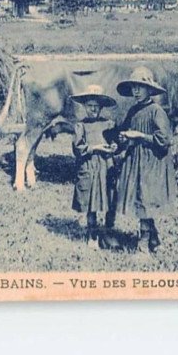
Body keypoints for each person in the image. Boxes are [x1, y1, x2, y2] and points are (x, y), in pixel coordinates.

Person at [113, 66, 176, 253]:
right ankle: (154, 239)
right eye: (134, 87)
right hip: (136, 161)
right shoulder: (133, 111)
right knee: (141, 198)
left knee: (145, 199)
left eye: (140, 87)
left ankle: (143, 245)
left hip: (153, 162)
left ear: (149, 89)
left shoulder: (157, 111)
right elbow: (125, 131)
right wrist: (123, 138)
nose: (136, 91)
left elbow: (164, 140)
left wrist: (140, 136)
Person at [70, 84, 117, 247]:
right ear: (84, 107)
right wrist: (95, 147)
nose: (93, 109)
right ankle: (93, 236)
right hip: (89, 167)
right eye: (90, 106)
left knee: (110, 199)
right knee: (92, 202)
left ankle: (109, 232)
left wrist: (114, 147)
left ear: (101, 107)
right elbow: (77, 148)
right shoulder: (80, 126)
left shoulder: (109, 124)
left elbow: (115, 141)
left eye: (96, 106)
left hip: (106, 166)